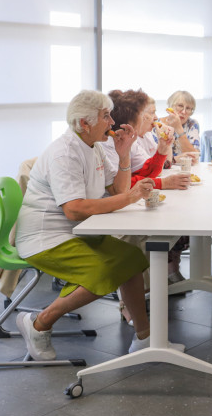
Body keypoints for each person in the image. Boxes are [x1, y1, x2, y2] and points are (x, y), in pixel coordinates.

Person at [15, 90, 184, 360]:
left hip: (80, 232)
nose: (111, 122)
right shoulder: (64, 153)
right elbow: (74, 209)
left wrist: (124, 154)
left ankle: (145, 338)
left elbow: (117, 189)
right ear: (84, 123)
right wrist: (128, 197)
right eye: (106, 117)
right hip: (46, 239)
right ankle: (39, 322)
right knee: (109, 270)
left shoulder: (93, 148)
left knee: (131, 258)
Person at [100, 89, 191, 324]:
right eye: (147, 114)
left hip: (117, 207)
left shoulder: (133, 140)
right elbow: (126, 186)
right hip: (103, 214)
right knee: (136, 239)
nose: (153, 119)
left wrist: (161, 150)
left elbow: (143, 174)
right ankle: (133, 304)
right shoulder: (110, 145)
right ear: (131, 120)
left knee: (152, 232)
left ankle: (141, 301)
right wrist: (161, 181)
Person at [163, 90, 201, 164]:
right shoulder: (158, 125)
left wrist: (179, 128)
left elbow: (195, 157)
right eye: (180, 106)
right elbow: (150, 159)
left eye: (188, 108)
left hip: (186, 169)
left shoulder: (192, 124)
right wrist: (176, 159)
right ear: (170, 106)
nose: (184, 112)